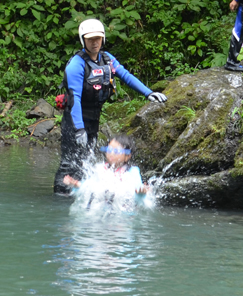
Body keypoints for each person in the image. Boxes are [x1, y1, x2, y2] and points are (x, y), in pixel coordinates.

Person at [54, 18, 166, 194]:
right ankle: (60, 198)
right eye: (90, 39)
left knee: (85, 160)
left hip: (93, 117)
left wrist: (148, 93)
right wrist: (79, 129)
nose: (94, 42)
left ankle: (82, 193)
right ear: (83, 40)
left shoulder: (107, 59)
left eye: (98, 38)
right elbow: (74, 98)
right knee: (69, 162)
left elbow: (126, 76)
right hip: (75, 120)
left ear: (103, 38)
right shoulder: (76, 65)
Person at [63, 135, 148, 196]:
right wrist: (75, 184)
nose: (111, 153)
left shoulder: (132, 172)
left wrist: (141, 193)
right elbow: (89, 187)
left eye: (116, 151)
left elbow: (137, 191)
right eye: (109, 149)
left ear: (127, 157)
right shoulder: (100, 168)